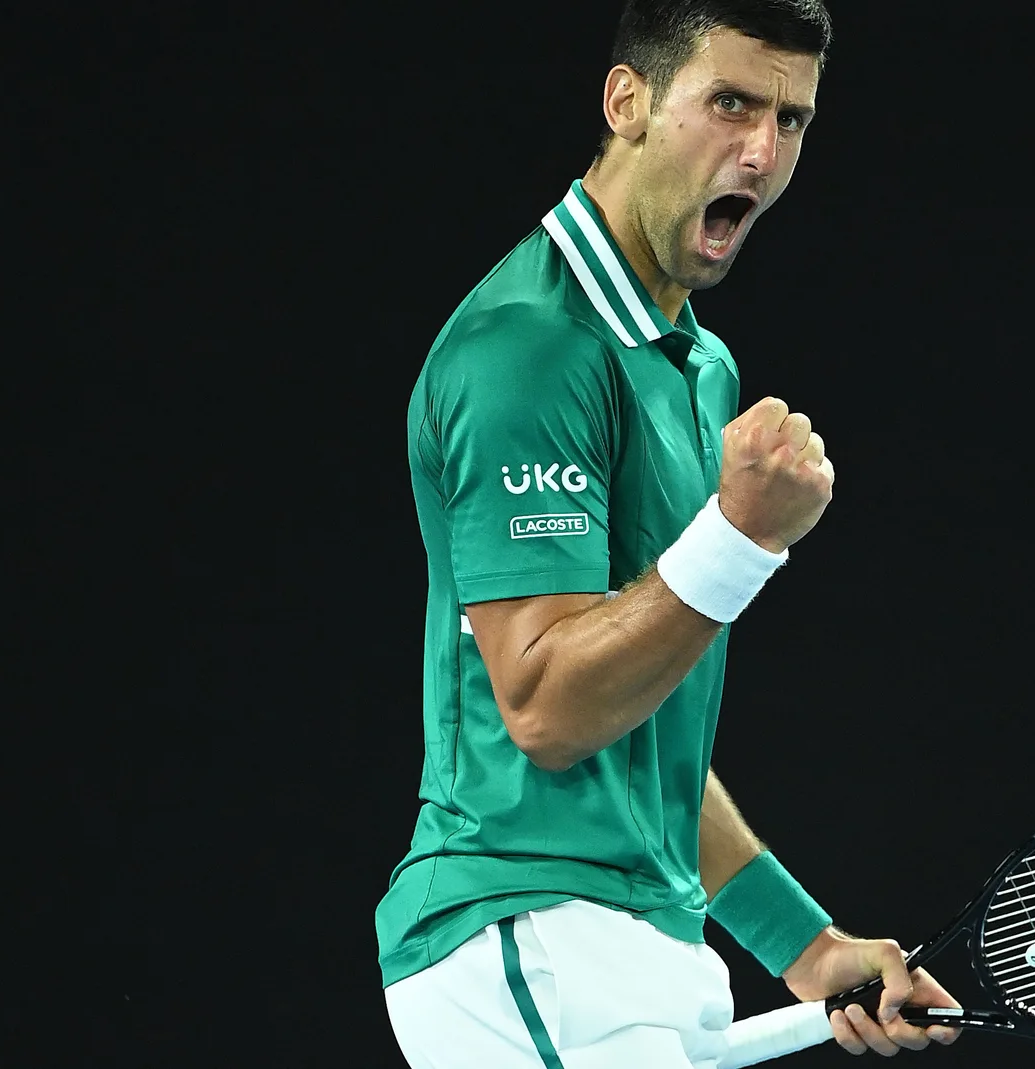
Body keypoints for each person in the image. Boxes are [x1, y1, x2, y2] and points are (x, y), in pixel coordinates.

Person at [378, 3, 962, 1065]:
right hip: (529, 936)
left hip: (642, 942)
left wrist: (804, 942)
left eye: (791, 119)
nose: (761, 150)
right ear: (628, 104)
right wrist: (741, 539)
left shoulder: (697, 366)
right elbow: (550, 708)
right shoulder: (529, 350)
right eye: (730, 102)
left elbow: (634, 728)